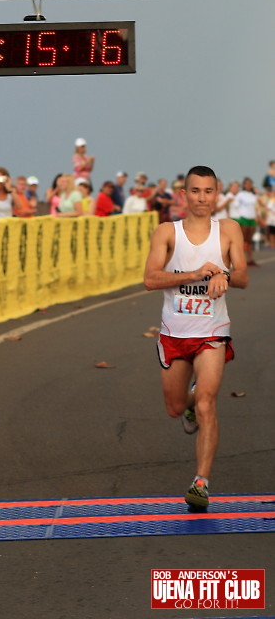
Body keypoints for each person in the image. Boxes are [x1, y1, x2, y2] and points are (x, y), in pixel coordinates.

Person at [144, 165, 248, 509]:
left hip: (212, 334)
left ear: (216, 194)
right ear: (184, 194)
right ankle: (187, 404)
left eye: (208, 191)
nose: (202, 198)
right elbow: (150, 279)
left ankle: (201, 482)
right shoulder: (167, 232)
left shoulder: (229, 230)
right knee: (177, 407)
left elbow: (243, 275)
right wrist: (194, 274)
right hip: (174, 333)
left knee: (207, 402)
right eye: (195, 191)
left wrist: (224, 275)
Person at [234, 177, 260, 266]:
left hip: (252, 219)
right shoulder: (240, 194)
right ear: (244, 185)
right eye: (247, 184)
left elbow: (256, 207)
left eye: (250, 184)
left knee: (249, 240)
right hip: (244, 218)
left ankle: (250, 259)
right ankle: (241, 259)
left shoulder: (254, 195)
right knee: (243, 240)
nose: (248, 185)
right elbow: (236, 206)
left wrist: (257, 216)